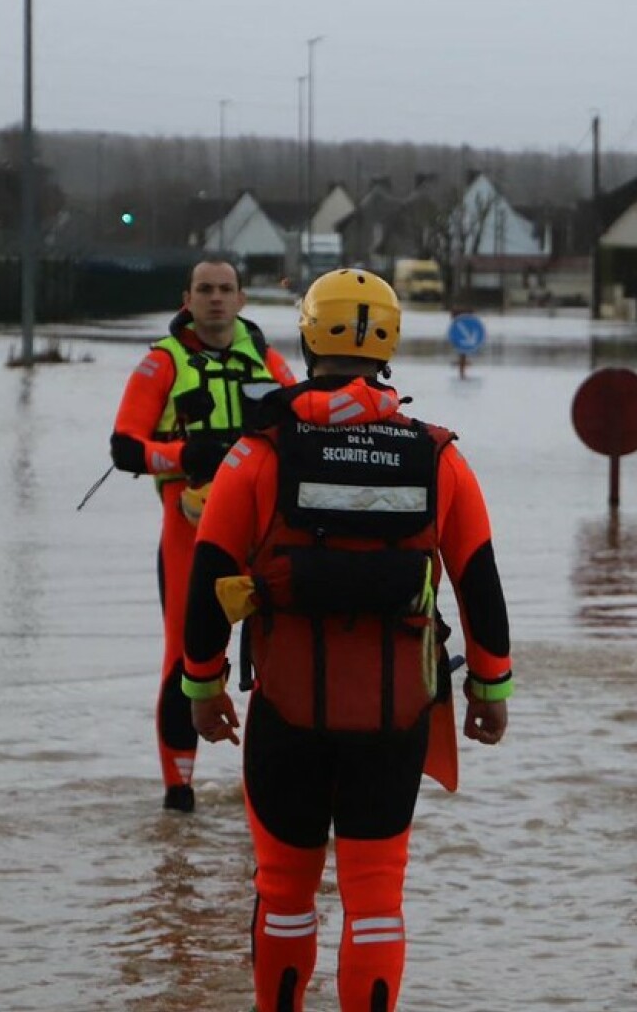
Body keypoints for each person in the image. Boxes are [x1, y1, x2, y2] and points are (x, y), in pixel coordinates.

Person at [180, 268, 512, 1012]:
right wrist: (490, 687)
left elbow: (209, 577)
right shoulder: (438, 456)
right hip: (394, 718)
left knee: (285, 892)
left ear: (304, 339)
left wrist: (201, 687)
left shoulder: (258, 452)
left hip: (286, 713)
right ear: (388, 347)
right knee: (375, 899)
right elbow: (479, 582)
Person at [108, 259, 298, 812]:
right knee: (181, 655)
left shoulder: (268, 361)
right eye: (205, 290)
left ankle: (264, 785)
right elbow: (124, 447)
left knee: (272, 655)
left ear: (241, 300)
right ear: (186, 298)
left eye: (225, 290)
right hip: (185, 524)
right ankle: (178, 793)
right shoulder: (161, 363)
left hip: (259, 528)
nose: (216, 299)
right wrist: (186, 455)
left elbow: (306, 430)